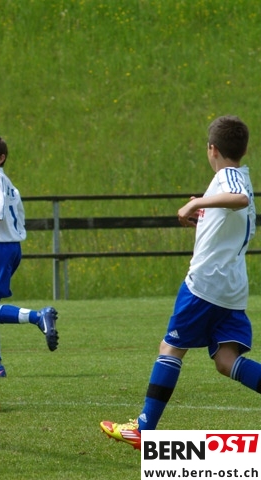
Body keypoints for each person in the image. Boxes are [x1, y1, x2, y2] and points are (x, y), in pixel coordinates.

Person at [101, 115, 260, 450]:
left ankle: (143, 429)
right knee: (226, 361)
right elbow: (231, 219)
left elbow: (239, 199)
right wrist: (204, 218)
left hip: (205, 283)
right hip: (231, 287)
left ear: (212, 149)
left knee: (170, 348)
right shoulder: (241, 176)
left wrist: (197, 201)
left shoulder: (229, 177)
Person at [0, 134, 59, 378]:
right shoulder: (5, 181)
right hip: (6, 247)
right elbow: (8, 219)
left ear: (1, 158)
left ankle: (38, 317)